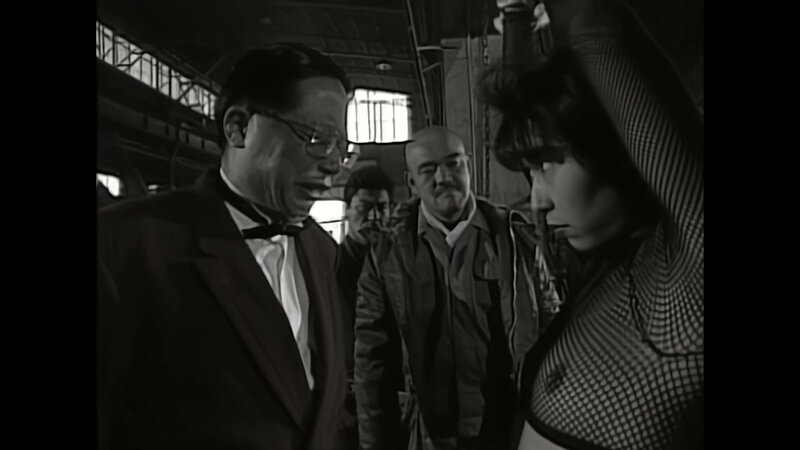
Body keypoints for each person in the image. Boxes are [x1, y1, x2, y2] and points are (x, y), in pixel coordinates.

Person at [97, 43, 354, 450]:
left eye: (341, 147)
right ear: (238, 127)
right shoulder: (124, 245)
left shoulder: (321, 249)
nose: (334, 164)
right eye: (317, 138)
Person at [482, 1, 704, 449]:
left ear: (616, 148)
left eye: (546, 164)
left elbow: (600, 30)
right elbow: (533, 115)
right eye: (529, 172)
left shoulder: (682, 283)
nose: (537, 201)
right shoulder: (615, 273)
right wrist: (516, 18)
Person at [354, 126, 542, 450]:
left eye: (454, 163)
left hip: (504, 431)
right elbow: (371, 360)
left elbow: (548, 337)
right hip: (424, 435)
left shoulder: (515, 240)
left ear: (469, 166)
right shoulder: (386, 252)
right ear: (412, 182)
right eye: (428, 170)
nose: (444, 177)